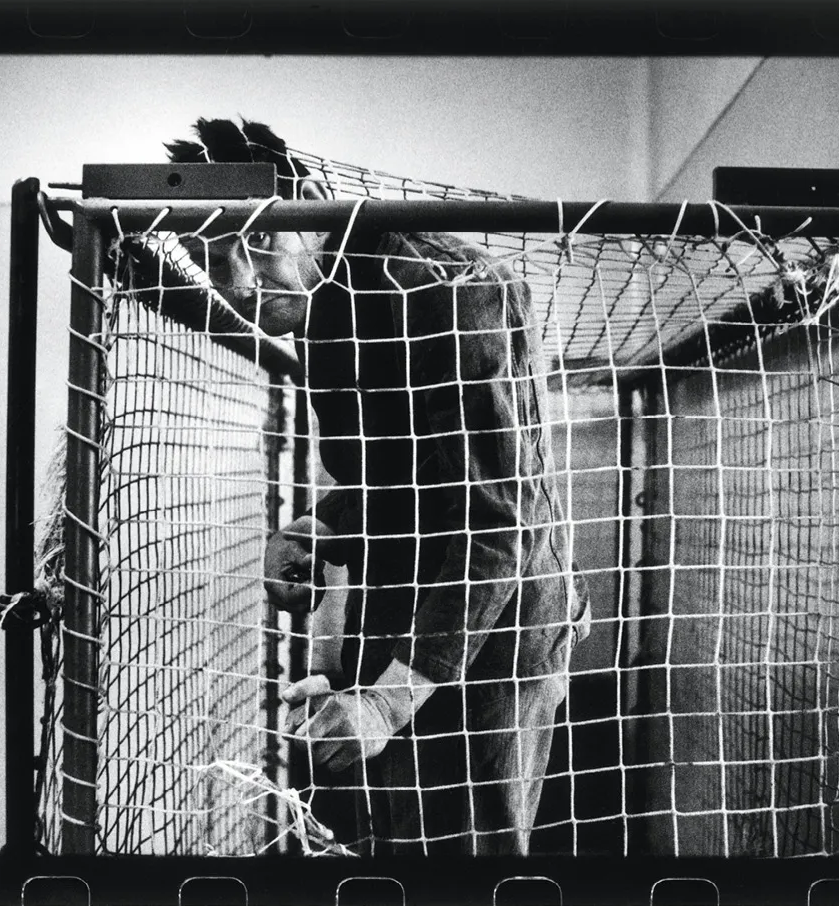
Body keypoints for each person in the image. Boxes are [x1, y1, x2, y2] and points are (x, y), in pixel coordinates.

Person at [165, 118, 590, 856]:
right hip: (408, 608)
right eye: (212, 255)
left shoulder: (452, 290)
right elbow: (391, 476)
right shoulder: (323, 304)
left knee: (464, 862)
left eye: (256, 240)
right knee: (399, 848)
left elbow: (497, 524)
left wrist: (384, 703)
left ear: (316, 206)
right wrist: (315, 528)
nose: (236, 279)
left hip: (496, 630)